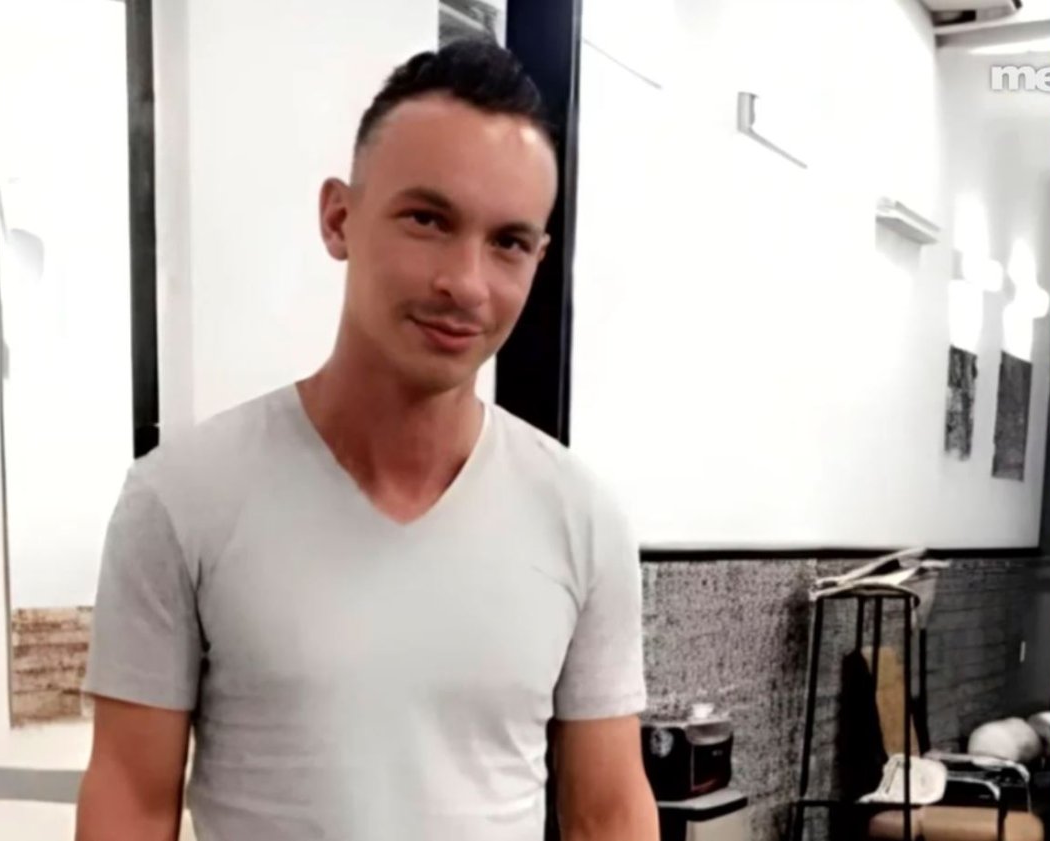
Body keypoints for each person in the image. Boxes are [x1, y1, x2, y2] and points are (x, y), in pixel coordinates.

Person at [75, 40, 657, 841]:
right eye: (428, 219)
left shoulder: (581, 518)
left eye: (509, 242)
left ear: (539, 258)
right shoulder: (182, 499)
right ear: (339, 218)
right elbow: (131, 805)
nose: (466, 282)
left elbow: (608, 814)